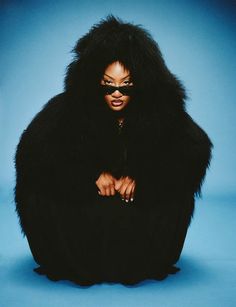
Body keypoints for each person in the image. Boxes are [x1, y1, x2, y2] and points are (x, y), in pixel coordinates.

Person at [15, 15, 212, 286]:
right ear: (94, 80)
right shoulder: (67, 110)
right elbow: (32, 156)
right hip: (82, 228)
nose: (117, 93)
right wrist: (90, 176)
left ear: (141, 83)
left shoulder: (164, 113)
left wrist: (144, 178)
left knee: (174, 193)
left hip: (136, 227)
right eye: (108, 84)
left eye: (126, 86)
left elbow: (193, 153)